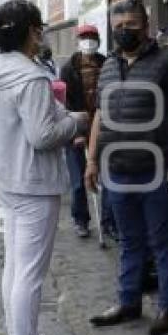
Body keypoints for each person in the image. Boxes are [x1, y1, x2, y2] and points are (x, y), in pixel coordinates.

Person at [0, 0, 89, 335]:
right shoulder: (31, 76)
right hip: (32, 182)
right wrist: (77, 122)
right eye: (39, 27)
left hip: (6, 175)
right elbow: (43, 136)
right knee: (29, 271)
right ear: (33, 32)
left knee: (15, 264)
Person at [85, 0, 168, 335]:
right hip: (116, 170)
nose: (124, 32)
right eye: (118, 27)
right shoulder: (107, 66)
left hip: (155, 169)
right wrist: (91, 160)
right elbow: (100, 116)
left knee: (162, 242)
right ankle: (128, 301)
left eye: (131, 25)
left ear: (145, 25)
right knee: (129, 241)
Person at [59, 24, 116, 239]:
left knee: (109, 179)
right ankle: (81, 219)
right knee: (78, 181)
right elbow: (66, 104)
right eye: (84, 37)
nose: (88, 41)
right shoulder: (68, 68)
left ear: (99, 39)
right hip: (78, 132)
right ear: (78, 40)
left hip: (103, 131)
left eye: (92, 37)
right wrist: (77, 133)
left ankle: (109, 222)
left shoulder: (106, 63)